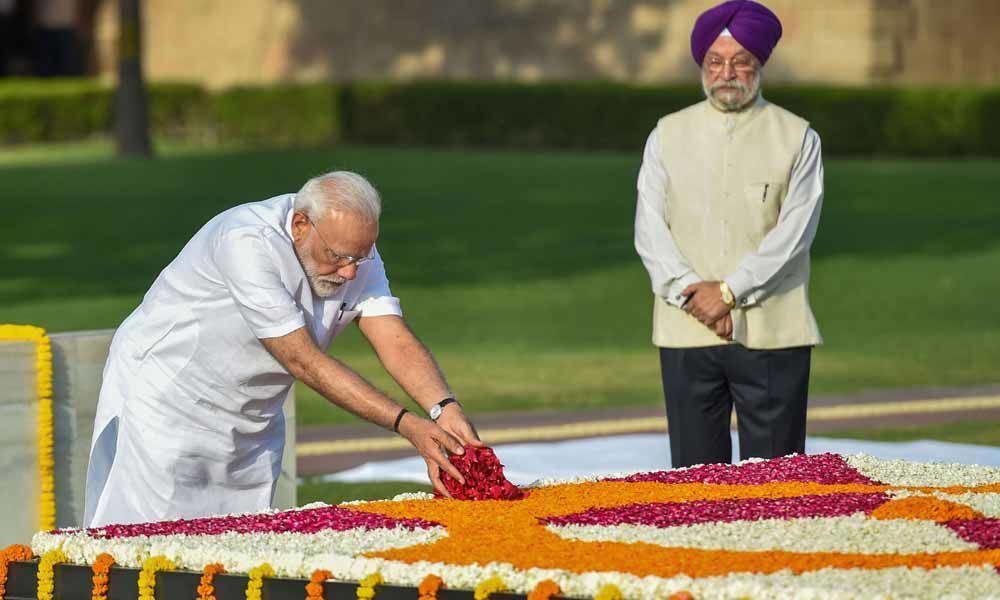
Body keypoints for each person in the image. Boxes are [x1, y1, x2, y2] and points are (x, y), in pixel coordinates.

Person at [84, 171, 482, 527]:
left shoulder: (356, 253)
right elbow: (302, 360)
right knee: (145, 550)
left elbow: (392, 336)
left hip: (252, 416)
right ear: (300, 224)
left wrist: (444, 407)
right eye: (337, 257)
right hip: (165, 401)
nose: (349, 272)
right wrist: (408, 426)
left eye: (359, 258)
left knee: (241, 553)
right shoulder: (245, 240)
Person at [634, 0, 824, 468]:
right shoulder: (666, 134)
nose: (727, 73)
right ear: (702, 65)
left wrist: (729, 292)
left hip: (773, 335)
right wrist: (692, 294)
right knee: (697, 489)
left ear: (759, 65)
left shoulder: (798, 137)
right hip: (686, 330)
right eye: (715, 62)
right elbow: (650, 229)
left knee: (779, 489)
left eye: (741, 61)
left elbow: (793, 235)